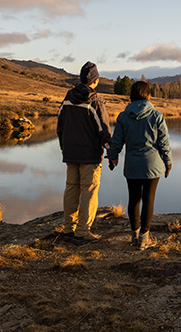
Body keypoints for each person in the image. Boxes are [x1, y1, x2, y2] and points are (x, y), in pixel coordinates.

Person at [107, 80, 172, 250]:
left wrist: (112, 157)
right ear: (148, 95)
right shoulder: (156, 116)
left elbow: (117, 141)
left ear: (132, 96)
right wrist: (168, 161)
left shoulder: (123, 116)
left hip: (132, 165)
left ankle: (134, 235)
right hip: (153, 164)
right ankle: (144, 238)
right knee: (148, 199)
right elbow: (164, 142)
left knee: (134, 199)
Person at [57, 61, 111, 245]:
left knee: (71, 188)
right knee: (88, 191)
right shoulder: (95, 101)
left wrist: (64, 147)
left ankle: (68, 229)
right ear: (95, 81)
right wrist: (111, 153)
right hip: (90, 155)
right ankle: (83, 232)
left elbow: (60, 126)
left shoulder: (67, 98)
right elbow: (103, 130)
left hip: (70, 153)